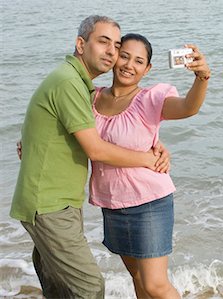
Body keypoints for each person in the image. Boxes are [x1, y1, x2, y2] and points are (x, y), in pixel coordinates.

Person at [10, 16, 171, 299]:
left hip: (56, 202)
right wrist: (146, 158)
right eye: (103, 42)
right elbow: (96, 148)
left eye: (116, 45)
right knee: (89, 287)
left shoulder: (82, 86)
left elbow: (112, 127)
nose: (111, 51)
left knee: (60, 289)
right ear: (81, 44)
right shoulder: (69, 82)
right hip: (48, 205)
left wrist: (156, 144)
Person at [89, 33, 210, 298]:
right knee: (139, 281)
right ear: (113, 57)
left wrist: (201, 77)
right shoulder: (91, 98)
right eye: (124, 56)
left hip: (149, 203)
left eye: (139, 61)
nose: (129, 65)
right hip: (112, 203)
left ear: (147, 69)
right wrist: (28, 140)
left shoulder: (151, 99)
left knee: (155, 284)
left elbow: (188, 108)